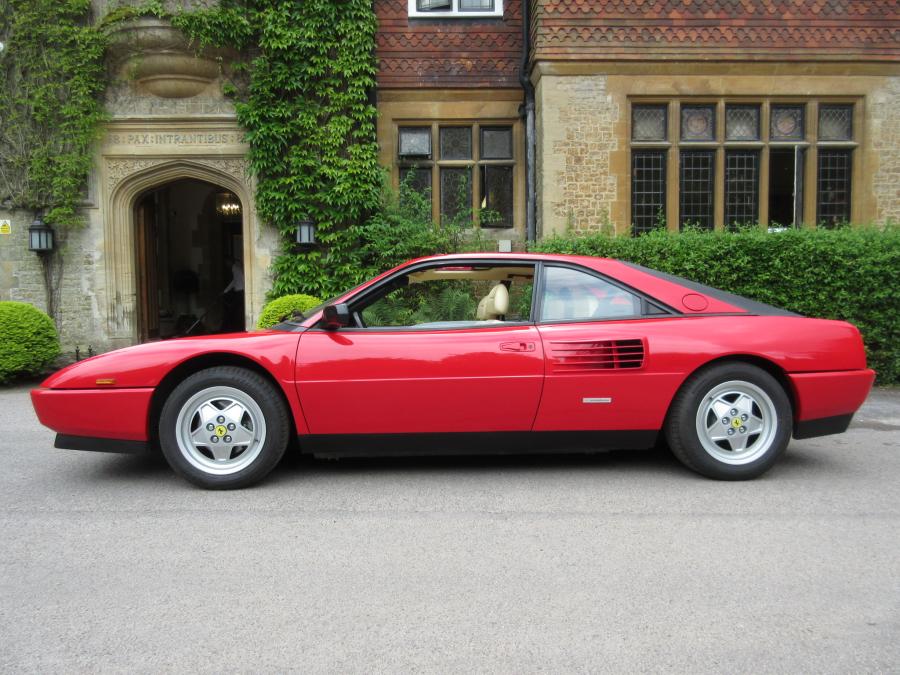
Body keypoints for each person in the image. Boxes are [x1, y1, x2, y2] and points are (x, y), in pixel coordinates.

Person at [222, 256, 244, 331]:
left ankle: (236, 327)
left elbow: (239, 279)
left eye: (227, 262)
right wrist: (225, 291)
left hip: (240, 291)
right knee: (235, 309)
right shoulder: (235, 269)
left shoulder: (235, 268)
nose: (226, 264)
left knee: (235, 309)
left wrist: (225, 291)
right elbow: (234, 281)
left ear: (230, 262)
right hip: (239, 291)